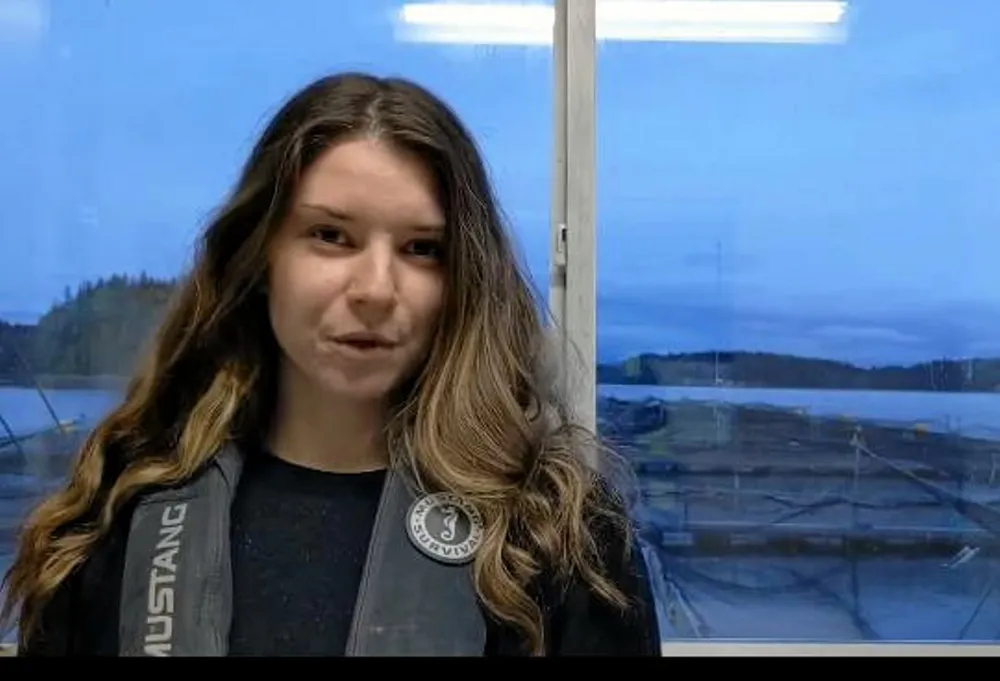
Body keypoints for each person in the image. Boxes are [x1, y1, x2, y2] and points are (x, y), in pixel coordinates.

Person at [0, 72, 662, 657]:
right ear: (261, 259)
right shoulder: (121, 512)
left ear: (462, 280)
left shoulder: (553, 536)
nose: (375, 289)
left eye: (422, 248)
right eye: (330, 236)